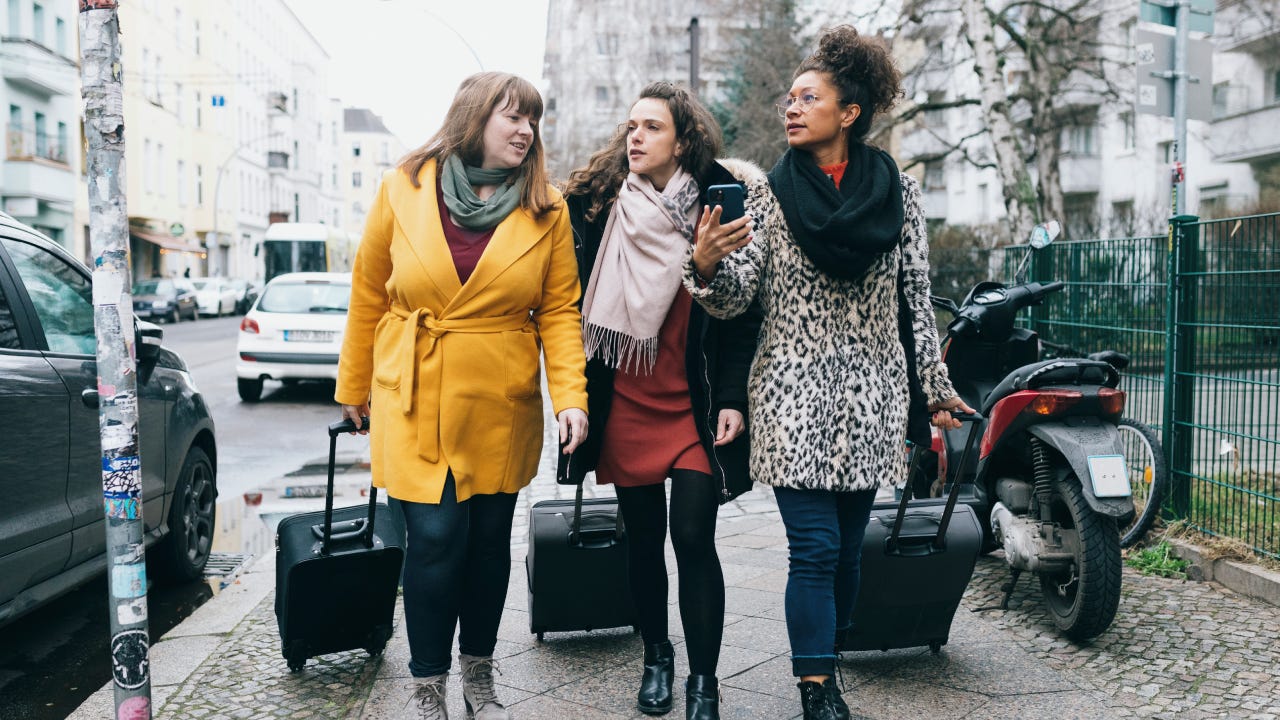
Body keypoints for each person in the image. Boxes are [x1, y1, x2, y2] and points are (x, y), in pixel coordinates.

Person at [683, 27, 975, 720]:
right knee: (813, 549)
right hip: (790, 394)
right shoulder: (769, 195)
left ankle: (830, 653)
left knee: (846, 553)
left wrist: (932, 389)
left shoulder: (896, 191)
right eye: (789, 97)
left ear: (849, 112)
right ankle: (816, 686)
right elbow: (735, 298)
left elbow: (916, 298)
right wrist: (704, 266)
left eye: (808, 98)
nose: (791, 108)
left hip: (872, 398)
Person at [335, 71, 589, 720]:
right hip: (414, 388)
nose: (526, 129)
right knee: (436, 536)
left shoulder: (547, 208)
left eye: (533, 119)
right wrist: (353, 385)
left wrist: (570, 397)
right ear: (475, 118)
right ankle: (428, 684)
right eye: (513, 116)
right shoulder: (405, 186)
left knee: (486, 541)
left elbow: (559, 310)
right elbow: (368, 289)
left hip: (499, 399)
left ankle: (478, 668)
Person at [559, 81, 760, 720]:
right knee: (643, 540)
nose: (636, 137)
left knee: (693, 536)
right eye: (631, 127)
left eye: (651, 127)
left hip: (692, 409)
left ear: (684, 139)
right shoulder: (598, 211)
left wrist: (732, 396)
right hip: (626, 402)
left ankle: (705, 682)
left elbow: (739, 316)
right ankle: (656, 656)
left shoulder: (716, 212)